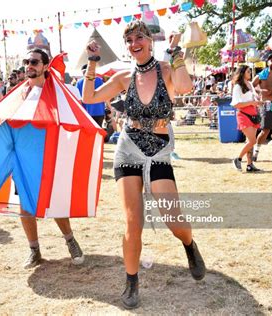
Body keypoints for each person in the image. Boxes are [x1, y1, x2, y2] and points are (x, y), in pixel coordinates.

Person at [82, 21, 206, 309]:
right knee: (132, 221)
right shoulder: (125, 77)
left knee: (173, 220)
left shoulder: (166, 69)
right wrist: (92, 62)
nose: (134, 42)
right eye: (129, 39)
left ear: (151, 41)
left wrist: (175, 53)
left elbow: (186, 87)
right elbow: (89, 97)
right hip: (129, 149)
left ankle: (189, 244)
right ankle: (131, 281)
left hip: (159, 150)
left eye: (139, 37)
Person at [18, 48, 85, 270]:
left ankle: (70, 240)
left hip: (52, 154)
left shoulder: (58, 90)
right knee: (26, 205)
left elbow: (75, 116)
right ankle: (34, 250)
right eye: (27, 61)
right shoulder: (20, 93)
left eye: (34, 61)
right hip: (24, 156)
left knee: (55, 202)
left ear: (45, 66)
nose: (29, 65)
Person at [231, 65, 263, 172]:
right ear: (243, 72)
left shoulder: (250, 84)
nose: (250, 73)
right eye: (248, 71)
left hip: (253, 113)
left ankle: (250, 165)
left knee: (250, 141)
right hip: (244, 115)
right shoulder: (237, 86)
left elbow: (252, 99)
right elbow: (236, 104)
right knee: (253, 141)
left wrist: (258, 101)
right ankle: (238, 159)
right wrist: (251, 102)